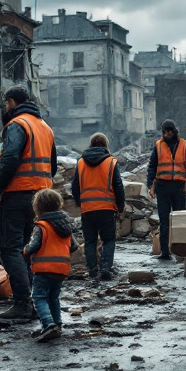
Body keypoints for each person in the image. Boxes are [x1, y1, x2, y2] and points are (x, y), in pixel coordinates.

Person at [0, 84, 56, 324]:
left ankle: (22, 303)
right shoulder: (44, 127)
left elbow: (10, 158)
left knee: (11, 248)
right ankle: (35, 299)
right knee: (27, 249)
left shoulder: (17, 125)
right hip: (41, 195)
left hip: (18, 192)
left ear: (10, 102)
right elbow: (54, 165)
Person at [22, 188, 76, 343]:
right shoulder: (65, 226)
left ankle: (48, 324)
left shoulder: (42, 226)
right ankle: (57, 323)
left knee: (39, 297)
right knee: (53, 297)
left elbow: (33, 246)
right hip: (62, 269)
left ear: (38, 207)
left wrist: (24, 250)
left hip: (44, 268)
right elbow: (73, 246)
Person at [71, 132, 124, 280]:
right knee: (108, 240)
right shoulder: (111, 162)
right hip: (107, 209)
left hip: (88, 209)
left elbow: (75, 186)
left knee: (90, 241)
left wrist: (79, 203)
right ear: (106, 145)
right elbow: (118, 186)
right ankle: (106, 268)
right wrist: (120, 207)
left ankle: (93, 270)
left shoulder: (81, 162)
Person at [147, 119, 186, 261]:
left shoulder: (184, 145)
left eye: (169, 131)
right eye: (165, 131)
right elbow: (152, 166)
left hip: (179, 187)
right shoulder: (158, 145)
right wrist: (151, 185)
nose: (167, 134)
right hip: (162, 186)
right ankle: (165, 252)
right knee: (164, 220)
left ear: (174, 131)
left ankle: (179, 251)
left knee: (179, 219)